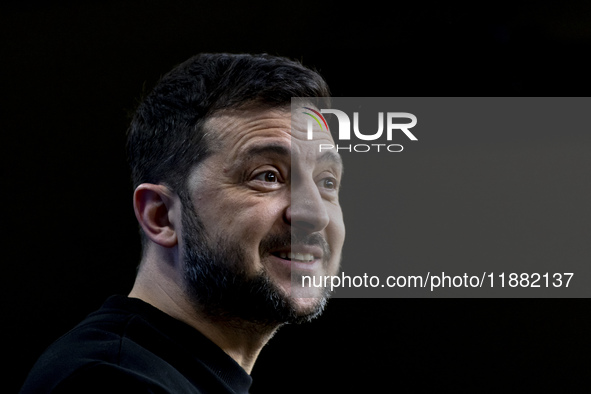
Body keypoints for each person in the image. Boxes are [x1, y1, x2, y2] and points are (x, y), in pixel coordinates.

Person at [20, 53, 345, 393]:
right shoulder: (109, 382)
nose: (316, 214)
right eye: (267, 176)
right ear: (161, 215)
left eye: (326, 181)